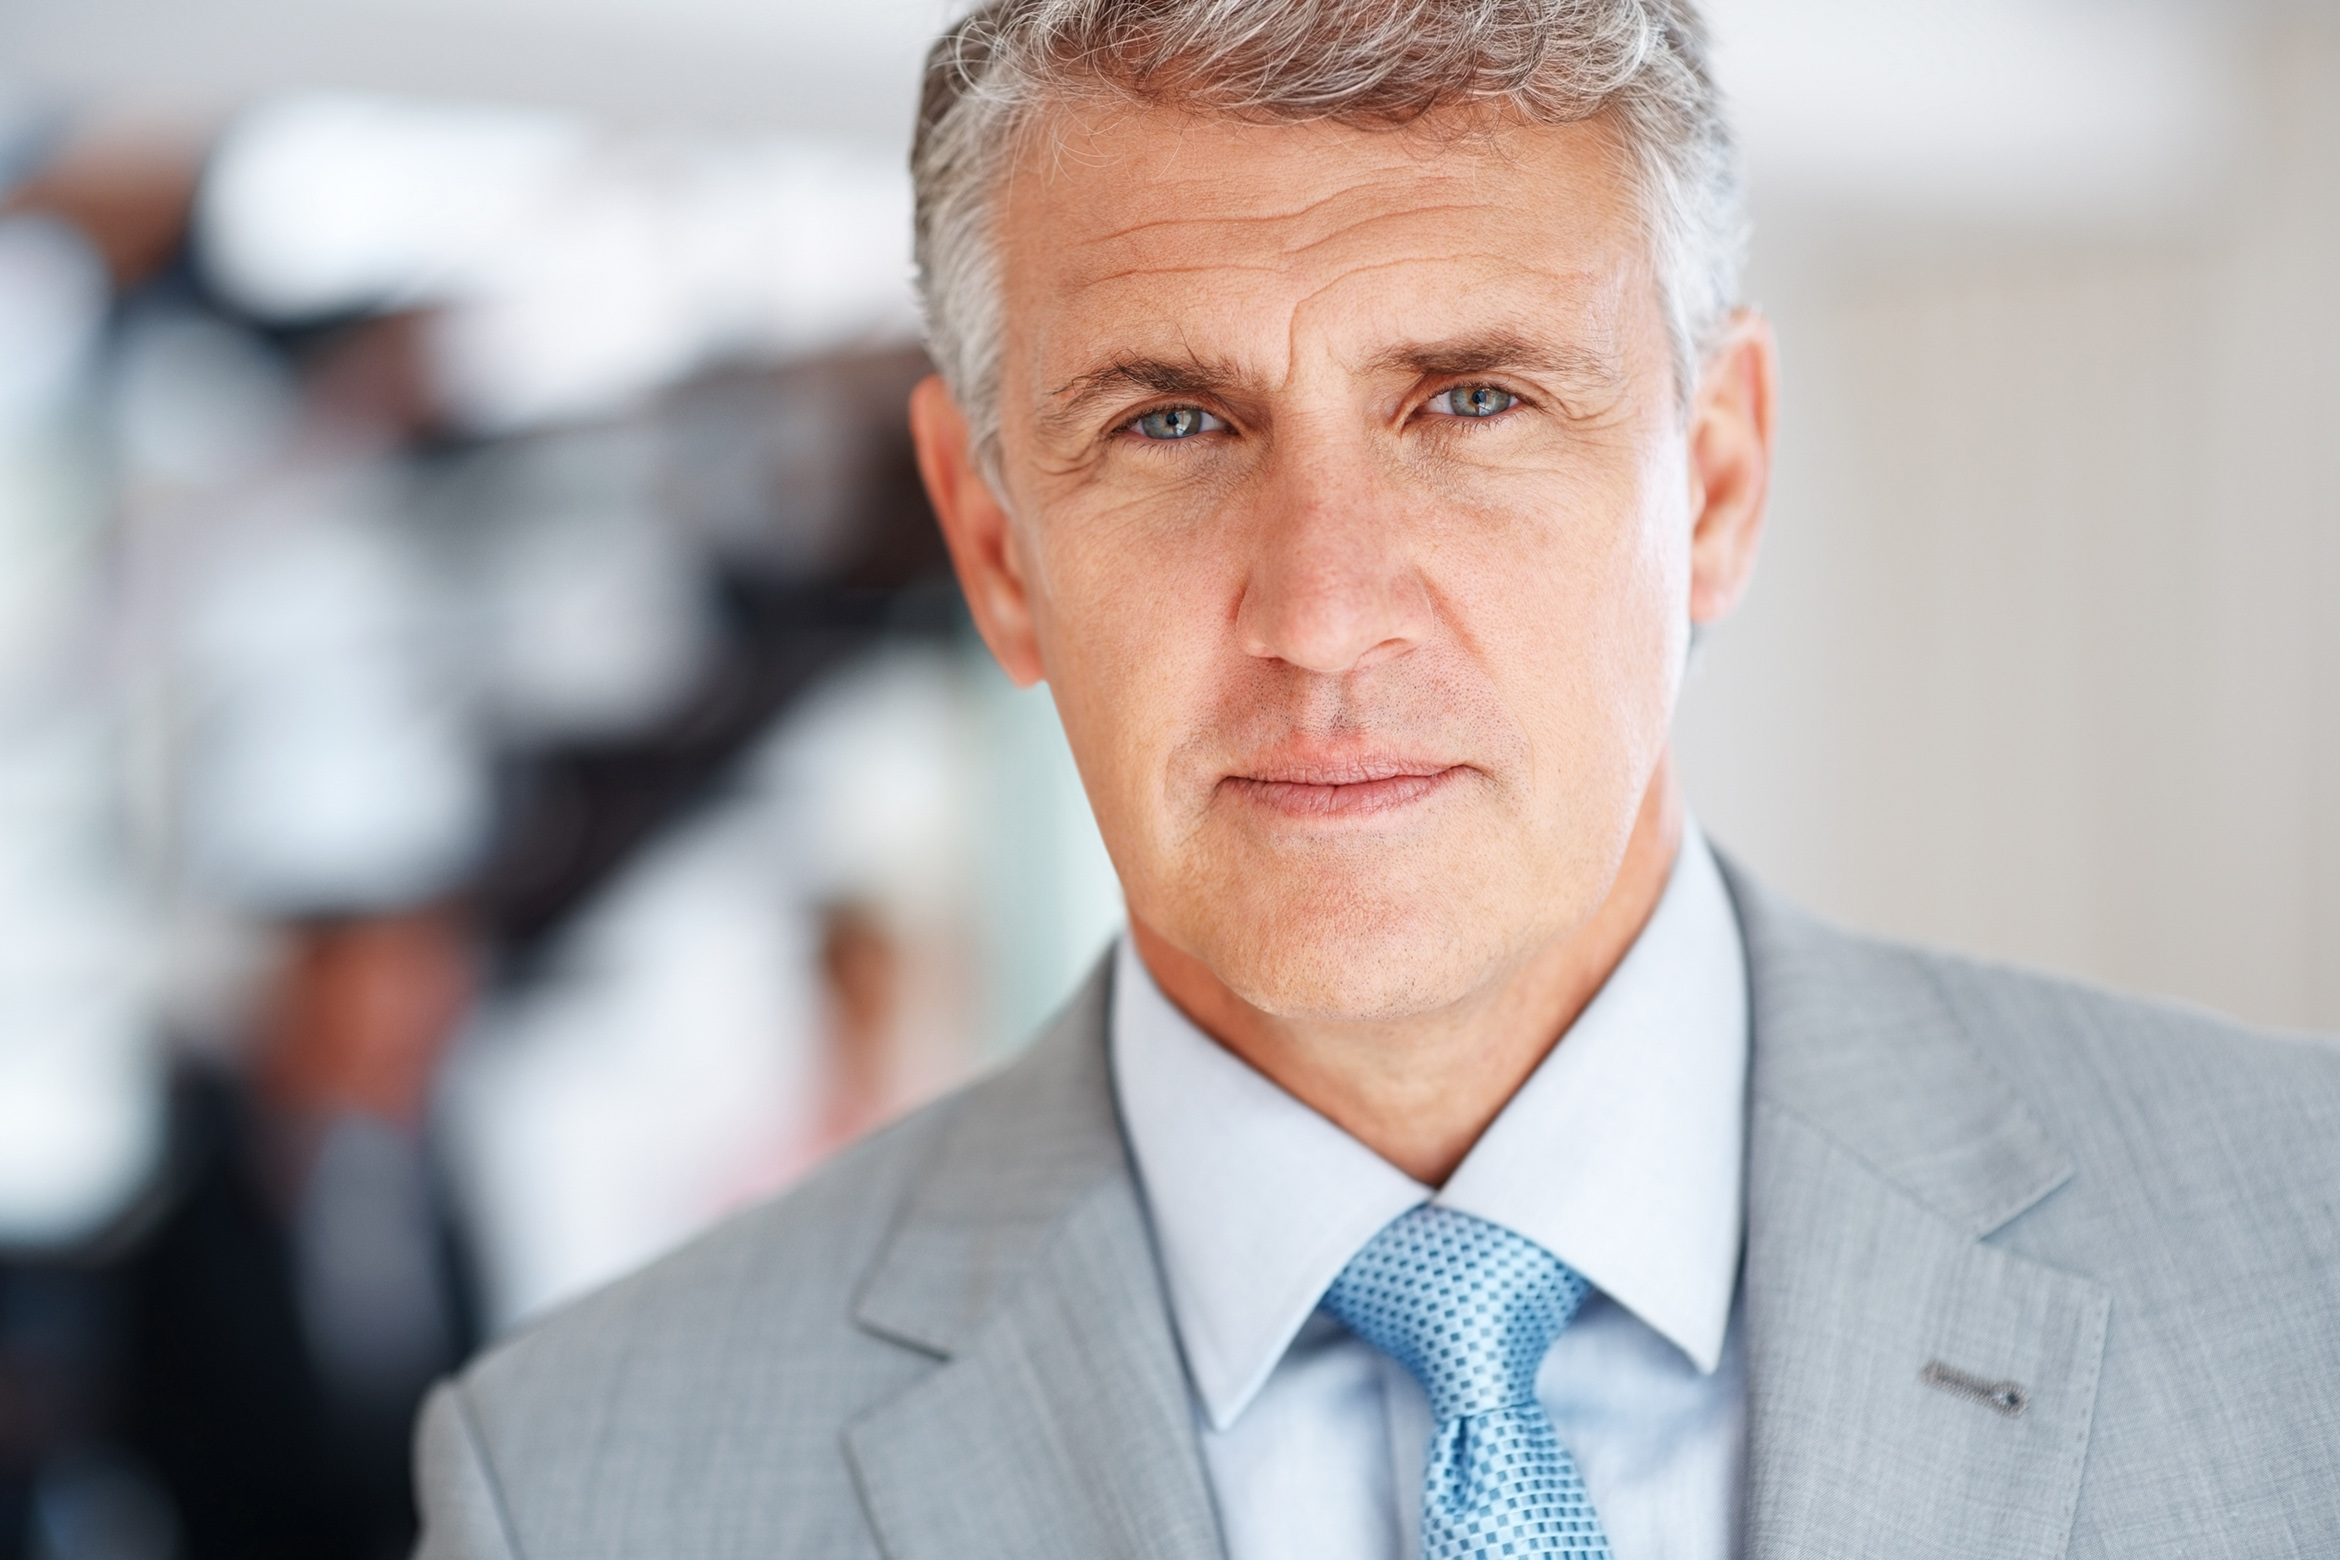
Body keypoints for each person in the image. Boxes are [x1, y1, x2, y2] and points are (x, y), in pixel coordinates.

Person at [412, 2, 2340, 1556]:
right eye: (1172, 420)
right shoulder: (584, 1489)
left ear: (1720, 485)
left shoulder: (2301, 1263)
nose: (1323, 616)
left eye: (1472, 399)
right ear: (996, 548)